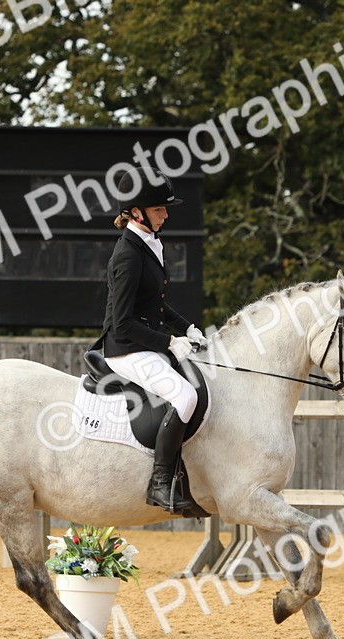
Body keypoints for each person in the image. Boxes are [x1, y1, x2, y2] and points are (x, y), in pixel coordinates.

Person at [89, 168, 208, 517]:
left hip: (145, 342)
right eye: (160, 209)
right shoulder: (127, 255)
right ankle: (159, 482)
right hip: (125, 349)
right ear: (138, 212)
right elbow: (124, 322)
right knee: (185, 396)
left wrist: (188, 328)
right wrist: (169, 342)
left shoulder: (147, 243)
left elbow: (154, 304)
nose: (166, 214)